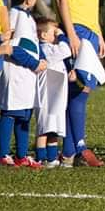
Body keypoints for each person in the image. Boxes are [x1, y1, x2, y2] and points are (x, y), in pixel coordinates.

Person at [52, 0, 105, 167]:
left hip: (89, 33)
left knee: (81, 90)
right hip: (74, 31)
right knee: (78, 88)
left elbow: (91, 1)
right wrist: (71, 35)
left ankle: (70, 153)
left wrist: (98, 34)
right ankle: (76, 150)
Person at [0, 0, 46, 168]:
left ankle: (22, 155)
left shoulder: (28, 17)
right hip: (16, 71)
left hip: (28, 74)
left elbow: (33, 43)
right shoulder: (14, 16)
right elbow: (13, 47)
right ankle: (2, 154)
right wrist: (34, 63)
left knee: (25, 114)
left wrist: (41, 57)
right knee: (11, 113)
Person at [35, 17, 73, 168]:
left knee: (54, 128)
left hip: (56, 95)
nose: (56, 35)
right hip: (47, 96)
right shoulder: (45, 49)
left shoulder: (51, 48)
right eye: (53, 32)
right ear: (43, 35)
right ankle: (41, 158)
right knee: (44, 127)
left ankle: (51, 158)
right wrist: (62, 34)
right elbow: (66, 49)